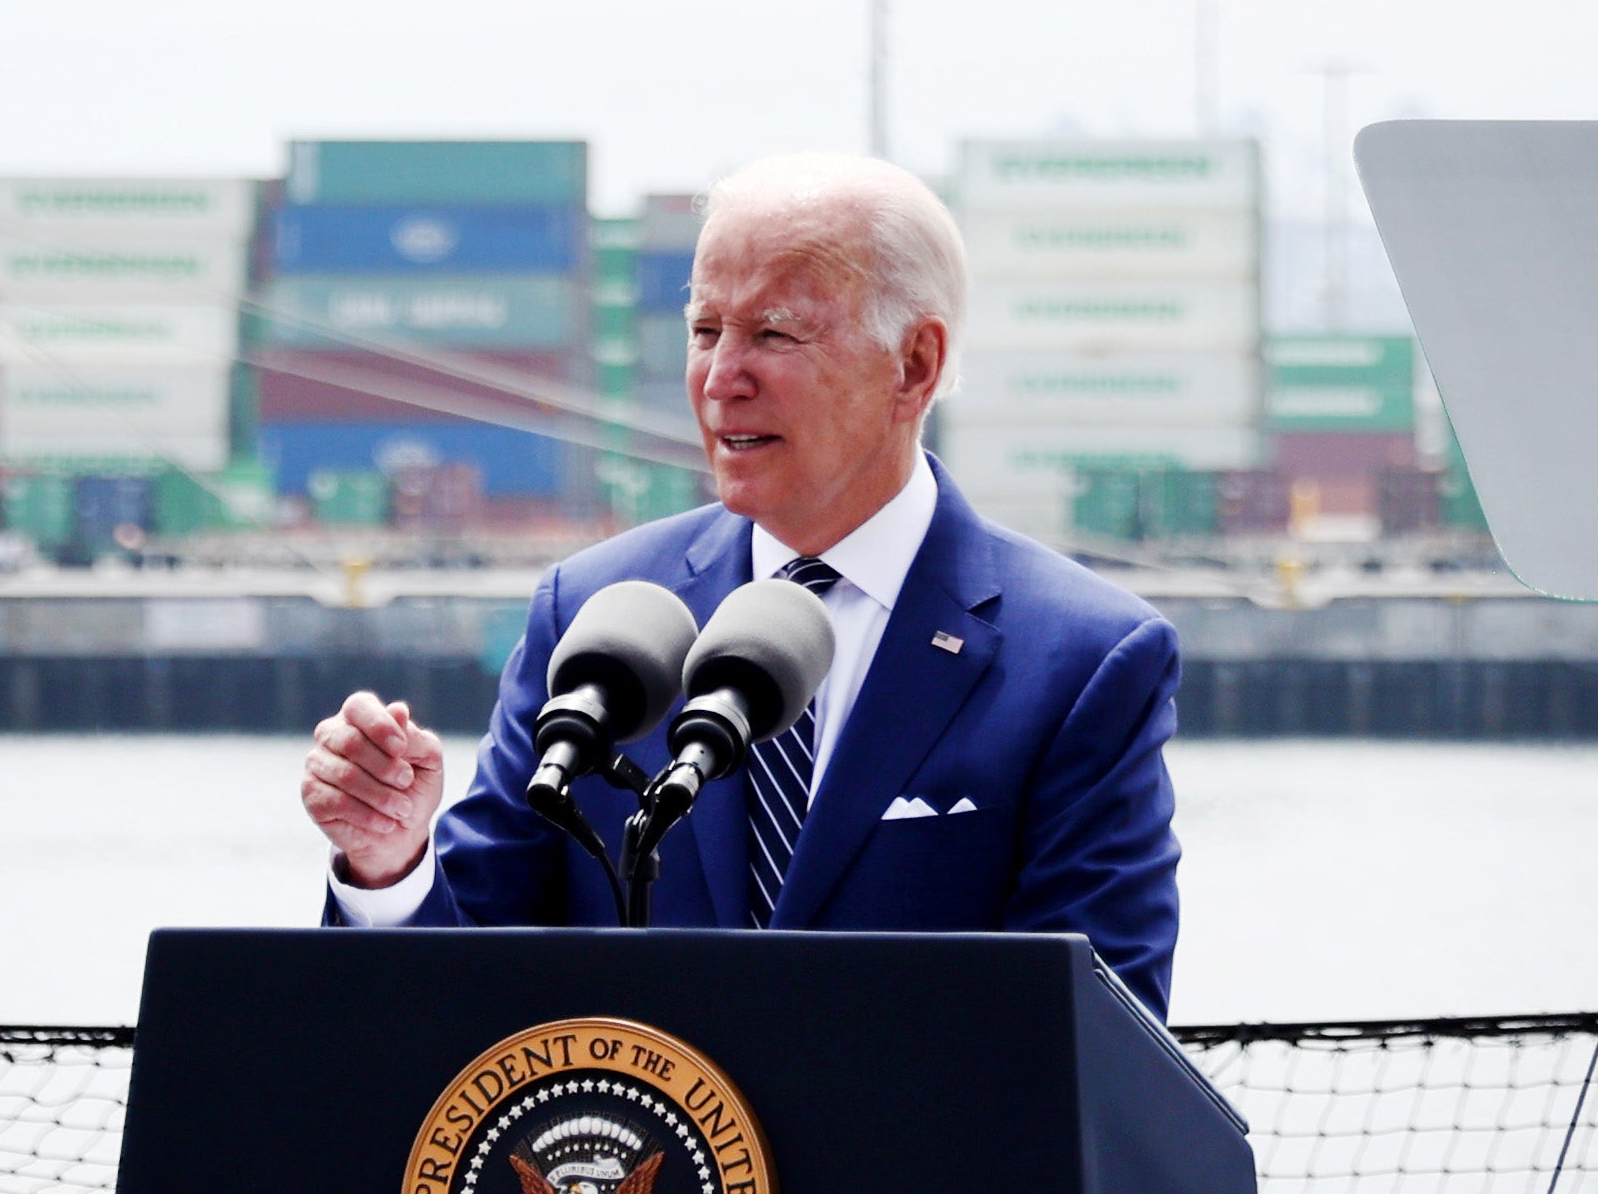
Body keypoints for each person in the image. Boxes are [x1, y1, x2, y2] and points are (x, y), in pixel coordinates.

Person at [294, 151, 1186, 1014]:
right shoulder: (596, 612)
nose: (722, 379)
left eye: (774, 333)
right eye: (705, 330)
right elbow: (461, 982)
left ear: (913, 365)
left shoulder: (1083, 661)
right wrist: (390, 864)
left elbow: (1101, 1043)